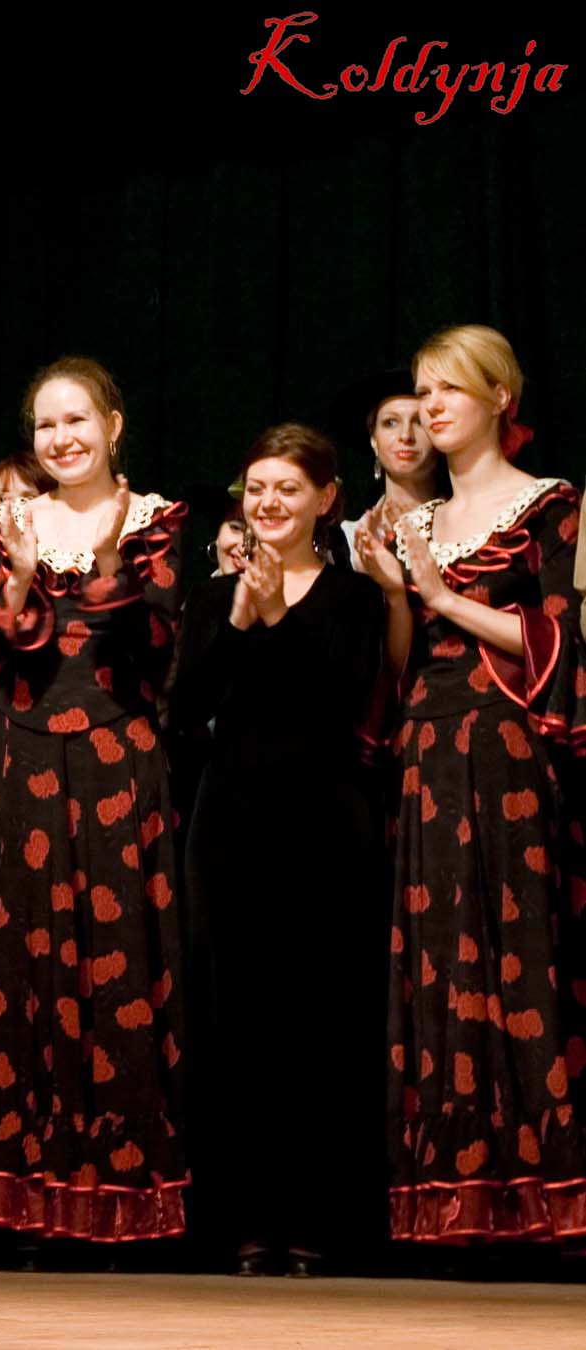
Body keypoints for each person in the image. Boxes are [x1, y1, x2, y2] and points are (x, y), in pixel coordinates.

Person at [353, 324, 583, 1245]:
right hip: (428, 750)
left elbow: (556, 640)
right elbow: (398, 669)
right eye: (422, 390)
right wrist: (393, 597)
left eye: (449, 388)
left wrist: (444, 597)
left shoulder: (549, 505)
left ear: (498, 398)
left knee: (515, 951)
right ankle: (451, 1201)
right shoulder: (408, 524)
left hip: (507, 747)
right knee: (441, 963)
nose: (431, 407)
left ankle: (540, 1200)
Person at [0, 357, 190, 1247]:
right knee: (21, 968)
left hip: (115, 757)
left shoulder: (154, 520)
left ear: (112, 425)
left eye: (76, 420)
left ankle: (121, 1197)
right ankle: (27, 1200)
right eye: (46, 424)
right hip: (17, 757)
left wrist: (106, 563)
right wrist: (17, 580)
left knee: (118, 966)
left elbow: (159, 641)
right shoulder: (5, 524)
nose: (61, 438)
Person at [170, 425, 385, 1275]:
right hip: (230, 818)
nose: (267, 502)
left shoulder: (354, 597)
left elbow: (336, 700)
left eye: (286, 488)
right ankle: (246, 1220)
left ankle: (315, 1220)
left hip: (322, 819)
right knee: (238, 1016)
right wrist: (238, 621)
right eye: (255, 487)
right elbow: (186, 710)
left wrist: (270, 624)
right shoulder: (211, 595)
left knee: (316, 1016)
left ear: (325, 499)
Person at [340, 370, 445, 560]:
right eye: (390, 423)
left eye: (419, 422)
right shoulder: (345, 541)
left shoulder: (468, 527)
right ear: (374, 439)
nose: (405, 435)